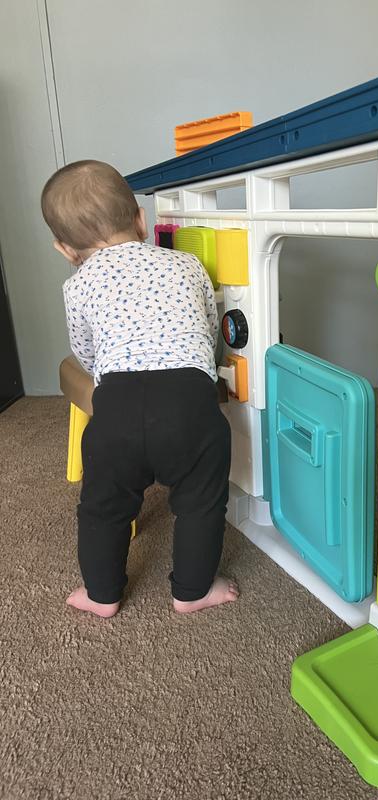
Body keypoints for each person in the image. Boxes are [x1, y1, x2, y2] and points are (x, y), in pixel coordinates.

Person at [41, 160, 238, 618]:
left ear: (64, 249)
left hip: (117, 414)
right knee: (202, 503)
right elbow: (209, 331)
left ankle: (101, 594)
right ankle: (192, 591)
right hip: (190, 406)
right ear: (141, 220)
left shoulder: (78, 284)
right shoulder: (188, 264)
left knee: (102, 509)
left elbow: (85, 352)